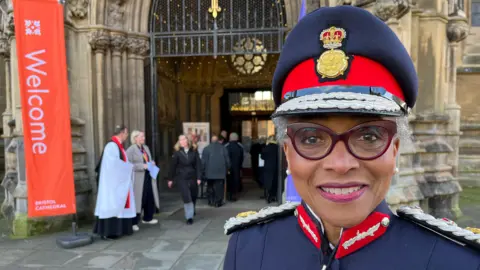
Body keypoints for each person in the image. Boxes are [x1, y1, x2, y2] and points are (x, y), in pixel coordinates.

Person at [223, 6, 480, 269]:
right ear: (287, 151)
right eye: (311, 138)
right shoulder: (247, 250)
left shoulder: (454, 261)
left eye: (368, 136)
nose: (341, 163)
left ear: (395, 150)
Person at [93, 125, 136, 240]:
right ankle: (110, 232)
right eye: (126, 133)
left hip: (117, 182)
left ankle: (121, 230)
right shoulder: (112, 146)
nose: (127, 136)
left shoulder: (119, 146)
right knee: (111, 205)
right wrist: (128, 167)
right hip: (111, 183)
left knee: (119, 204)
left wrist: (127, 168)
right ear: (121, 133)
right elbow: (113, 164)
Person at [126, 130, 160, 231]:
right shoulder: (131, 150)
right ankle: (134, 222)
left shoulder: (145, 148)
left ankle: (148, 218)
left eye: (143, 136)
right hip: (138, 178)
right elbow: (128, 165)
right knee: (138, 199)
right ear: (135, 138)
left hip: (148, 176)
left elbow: (148, 160)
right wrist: (143, 166)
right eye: (141, 136)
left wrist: (151, 163)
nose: (143, 138)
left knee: (149, 196)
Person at [168, 134, 202, 225]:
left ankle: (192, 210)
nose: (182, 141)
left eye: (183, 139)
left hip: (192, 177)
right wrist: (170, 179)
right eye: (180, 140)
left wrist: (199, 177)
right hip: (182, 178)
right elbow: (173, 167)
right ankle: (189, 217)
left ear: (187, 141)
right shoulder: (177, 153)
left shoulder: (194, 152)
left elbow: (198, 165)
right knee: (187, 197)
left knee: (193, 196)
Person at [202, 135, 231, 207]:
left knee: (210, 186)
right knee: (219, 187)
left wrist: (203, 171)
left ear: (211, 140)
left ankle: (210, 200)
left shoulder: (206, 149)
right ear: (218, 140)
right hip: (220, 172)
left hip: (209, 172)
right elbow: (227, 161)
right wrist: (228, 168)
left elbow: (203, 162)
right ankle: (218, 202)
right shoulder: (223, 148)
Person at [225, 132, 244, 201]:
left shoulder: (226, 146)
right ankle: (234, 195)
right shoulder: (240, 147)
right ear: (237, 138)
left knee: (229, 180)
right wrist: (240, 165)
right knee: (236, 180)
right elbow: (242, 158)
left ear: (230, 138)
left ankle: (229, 194)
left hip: (228, 167)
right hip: (237, 166)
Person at [260, 135, 279, 204]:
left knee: (268, 181)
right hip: (276, 167)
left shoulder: (266, 148)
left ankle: (268, 195)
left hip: (267, 167)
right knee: (275, 182)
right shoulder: (278, 148)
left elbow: (262, 157)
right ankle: (273, 196)